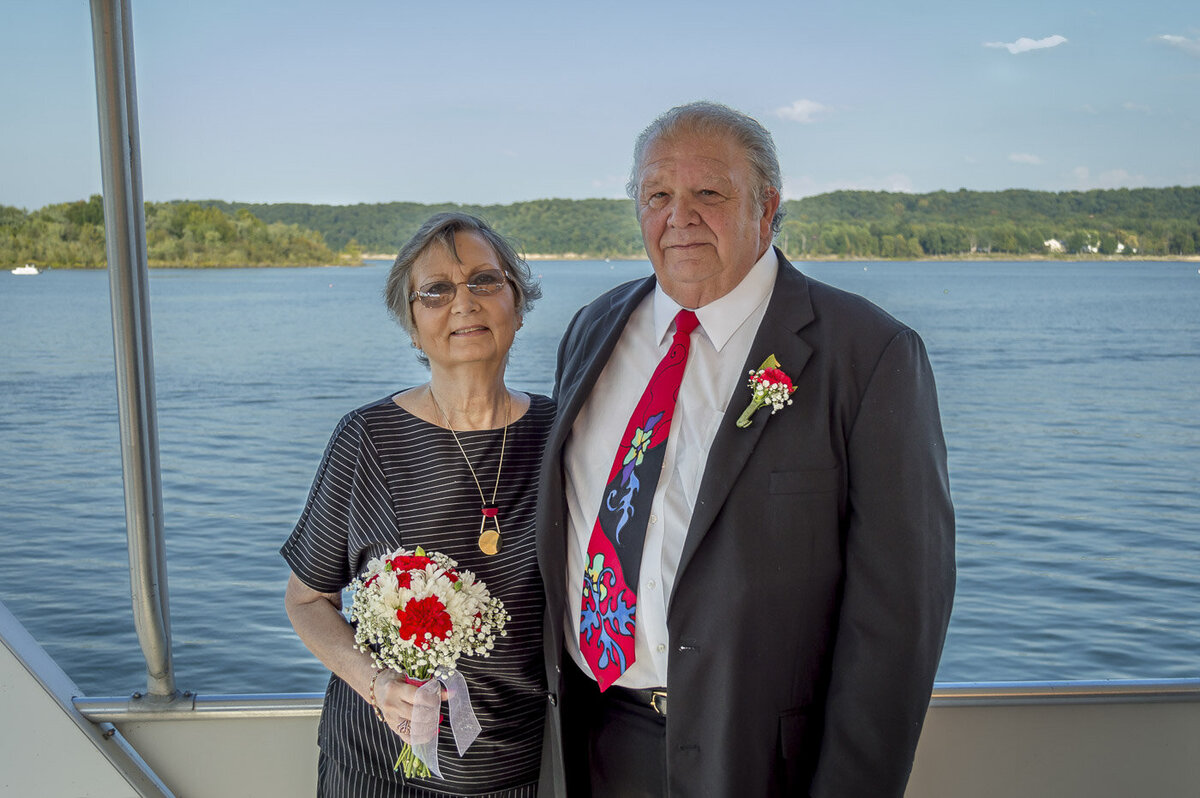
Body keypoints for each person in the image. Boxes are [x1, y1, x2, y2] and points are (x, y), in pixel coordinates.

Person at [536, 102, 956, 797]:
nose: (680, 216)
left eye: (709, 193)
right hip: (595, 743)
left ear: (768, 207)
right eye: (658, 195)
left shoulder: (869, 353)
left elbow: (898, 620)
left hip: (763, 761)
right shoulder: (594, 328)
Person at [282, 212, 554, 797]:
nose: (465, 302)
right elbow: (307, 600)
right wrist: (375, 682)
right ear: (411, 326)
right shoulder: (368, 439)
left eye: (485, 280)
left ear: (518, 303)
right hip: (379, 767)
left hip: (528, 767)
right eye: (436, 290)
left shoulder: (566, 435)